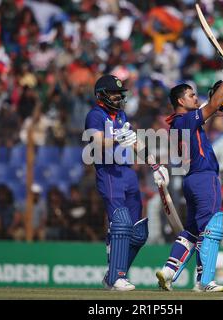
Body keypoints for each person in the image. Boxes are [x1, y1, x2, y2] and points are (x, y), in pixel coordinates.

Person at [155, 60, 223, 292]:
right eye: (192, 95)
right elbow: (213, 105)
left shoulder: (179, 123)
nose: (196, 98)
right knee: (211, 228)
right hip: (204, 178)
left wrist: (220, 94)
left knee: (192, 232)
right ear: (180, 102)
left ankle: (169, 271)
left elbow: (212, 106)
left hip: (191, 180)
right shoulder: (185, 119)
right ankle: (205, 282)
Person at [84, 74, 168, 291]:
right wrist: (118, 138)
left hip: (128, 173)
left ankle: (112, 275)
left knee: (138, 232)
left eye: (120, 94)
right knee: (120, 223)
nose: (119, 97)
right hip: (109, 173)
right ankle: (117, 277)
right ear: (102, 95)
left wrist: (154, 165)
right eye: (114, 93)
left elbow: (134, 141)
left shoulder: (120, 115)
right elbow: (96, 142)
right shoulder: (96, 115)